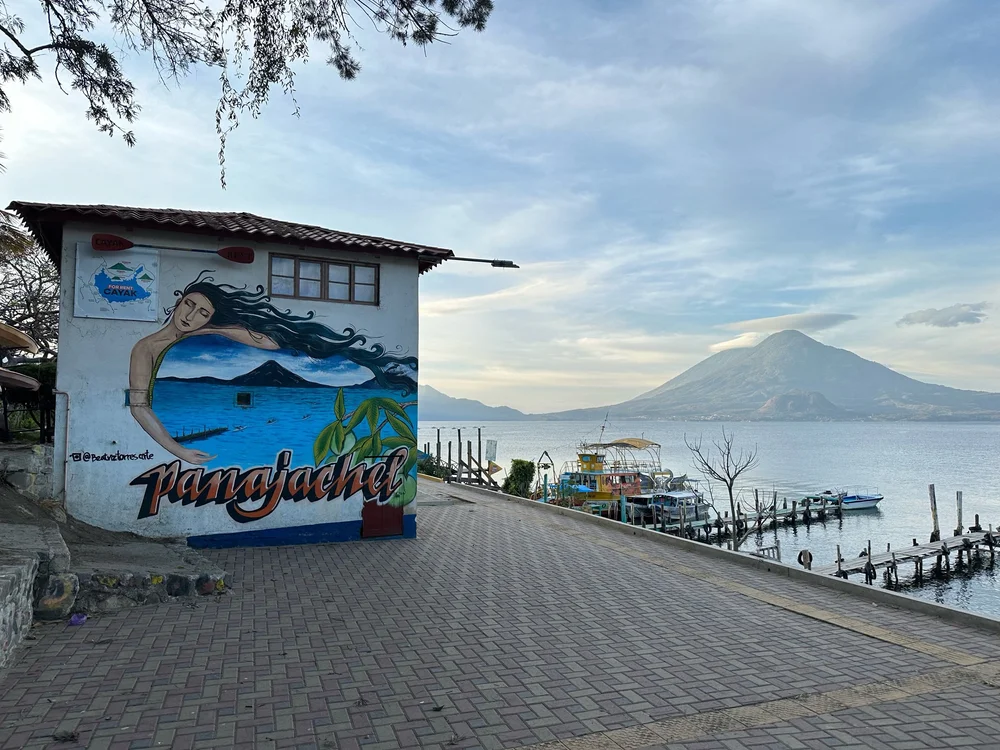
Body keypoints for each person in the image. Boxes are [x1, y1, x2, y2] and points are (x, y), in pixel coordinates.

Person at [128, 272, 417, 464]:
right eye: (189, 304)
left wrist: (221, 329)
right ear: (178, 300)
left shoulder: (202, 333)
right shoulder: (146, 347)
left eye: (203, 313)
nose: (190, 316)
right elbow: (139, 407)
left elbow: (269, 343)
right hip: (172, 437)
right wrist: (179, 451)